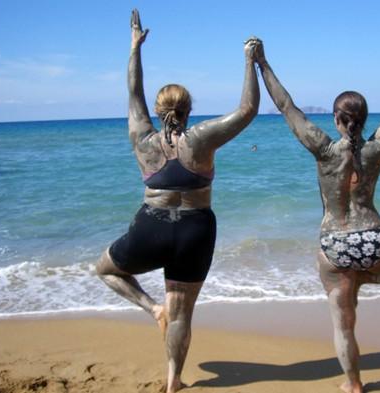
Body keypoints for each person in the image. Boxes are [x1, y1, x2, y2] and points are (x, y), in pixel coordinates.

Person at [254, 25, 380, 393]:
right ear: (364, 119)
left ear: (335, 118)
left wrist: (262, 62)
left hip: (334, 247)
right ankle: (367, 275)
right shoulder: (377, 149)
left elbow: (286, 106)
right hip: (375, 241)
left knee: (343, 324)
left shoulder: (324, 150)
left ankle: (353, 385)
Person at [94, 9, 260, 393]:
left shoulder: (142, 138)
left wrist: (135, 47)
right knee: (182, 311)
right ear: (188, 110)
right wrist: (249, 62)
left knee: (105, 269)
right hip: (196, 229)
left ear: (158, 111)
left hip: (151, 225)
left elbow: (132, 91)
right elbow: (248, 110)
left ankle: (152, 308)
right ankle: (173, 382)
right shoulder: (200, 138)